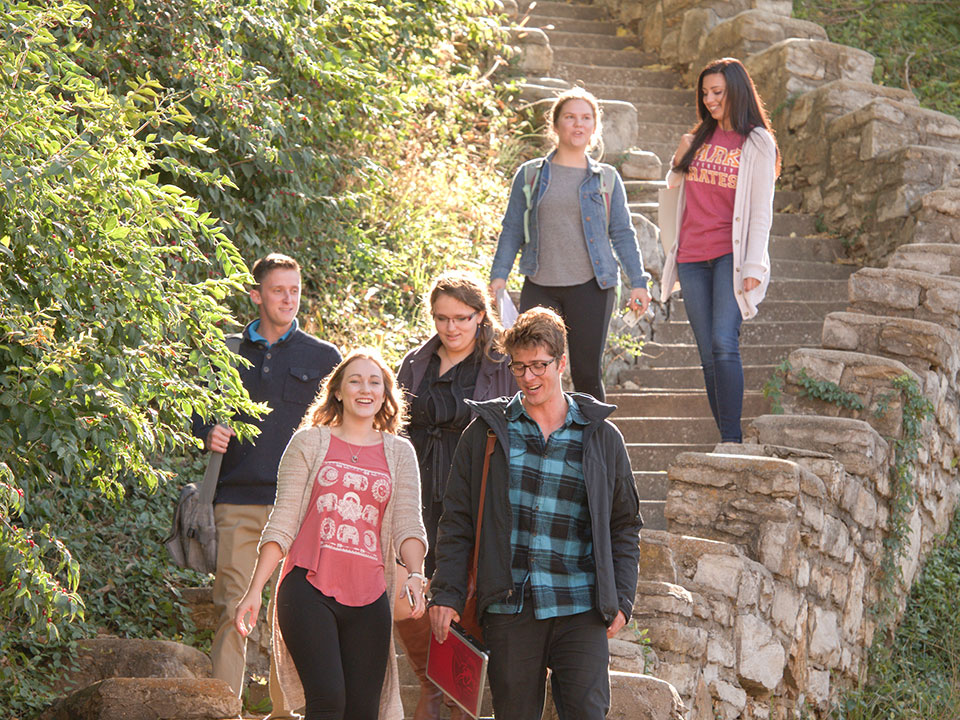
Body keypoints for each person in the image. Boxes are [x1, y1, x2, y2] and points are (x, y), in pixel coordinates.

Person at [429, 306, 643, 719]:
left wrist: (622, 598)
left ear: (561, 363)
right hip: (510, 606)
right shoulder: (487, 433)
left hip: (580, 604)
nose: (529, 378)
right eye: (519, 367)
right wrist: (447, 591)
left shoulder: (600, 436)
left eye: (539, 366)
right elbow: (456, 520)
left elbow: (624, 524)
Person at [234, 348, 428, 720]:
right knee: (328, 702)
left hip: (370, 596)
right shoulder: (309, 443)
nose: (365, 389)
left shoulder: (400, 453)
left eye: (375, 382)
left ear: (386, 394)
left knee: (362, 712)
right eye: (355, 380)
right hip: (308, 589)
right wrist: (255, 589)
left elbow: (408, 523)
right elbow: (283, 521)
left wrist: (416, 574)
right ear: (337, 390)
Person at [191, 253, 342, 718]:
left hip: (303, 507)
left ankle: (286, 711)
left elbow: (339, 427)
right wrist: (205, 432)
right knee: (234, 608)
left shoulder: (324, 358)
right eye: (279, 290)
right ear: (256, 295)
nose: (289, 299)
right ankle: (224, 710)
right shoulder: (225, 350)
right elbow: (194, 410)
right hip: (237, 499)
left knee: (295, 614)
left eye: (295, 290)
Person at [394, 271, 517, 720]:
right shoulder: (415, 363)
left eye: (462, 318)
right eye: (442, 318)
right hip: (419, 489)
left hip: (473, 494)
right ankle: (430, 681)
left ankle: (454, 697)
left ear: (481, 315)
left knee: (461, 595)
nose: (451, 328)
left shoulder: (502, 367)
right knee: (409, 597)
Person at [489, 87, 651, 402]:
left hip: (592, 286)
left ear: (594, 127)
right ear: (555, 125)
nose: (578, 124)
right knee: (534, 367)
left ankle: (593, 446)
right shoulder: (531, 175)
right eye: (570, 117)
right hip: (540, 284)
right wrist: (500, 275)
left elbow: (622, 232)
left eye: (586, 118)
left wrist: (638, 282)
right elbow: (512, 229)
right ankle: (543, 439)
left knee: (587, 372)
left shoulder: (606, 178)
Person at [661, 57, 779, 443]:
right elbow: (675, 193)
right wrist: (678, 161)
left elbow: (761, 209)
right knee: (707, 354)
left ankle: (732, 440)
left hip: (730, 256)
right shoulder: (698, 137)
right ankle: (726, 435)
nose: (710, 100)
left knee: (723, 342)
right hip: (692, 257)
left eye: (718, 93)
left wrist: (752, 264)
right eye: (706, 93)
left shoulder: (757, 141)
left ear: (737, 92)